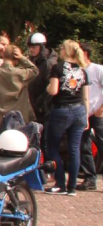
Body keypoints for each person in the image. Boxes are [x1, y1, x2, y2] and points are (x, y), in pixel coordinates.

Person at [44, 39, 91, 195]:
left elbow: (54, 91)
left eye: (61, 48)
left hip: (61, 111)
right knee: (74, 149)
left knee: (53, 147)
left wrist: (47, 87)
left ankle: (60, 184)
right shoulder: (83, 71)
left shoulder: (57, 68)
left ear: (65, 51)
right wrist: (87, 117)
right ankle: (72, 187)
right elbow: (85, 97)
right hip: (79, 111)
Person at [0, 45, 39, 125]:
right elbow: (35, 71)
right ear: (16, 59)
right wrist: (21, 58)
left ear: (3, 56)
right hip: (19, 119)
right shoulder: (20, 73)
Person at [77, 42, 102, 191]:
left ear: (84, 53)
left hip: (98, 114)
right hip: (82, 114)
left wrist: (101, 109)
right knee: (84, 146)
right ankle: (90, 179)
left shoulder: (98, 70)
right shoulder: (77, 72)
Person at [28, 32, 59, 123]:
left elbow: (50, 87)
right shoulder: (34, 60)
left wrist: (39, 104)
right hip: (34, 105)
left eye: (34, 47)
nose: (31, 50)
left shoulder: (49, 63)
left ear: (42, 47)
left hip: (44, 109)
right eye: (30, 47)